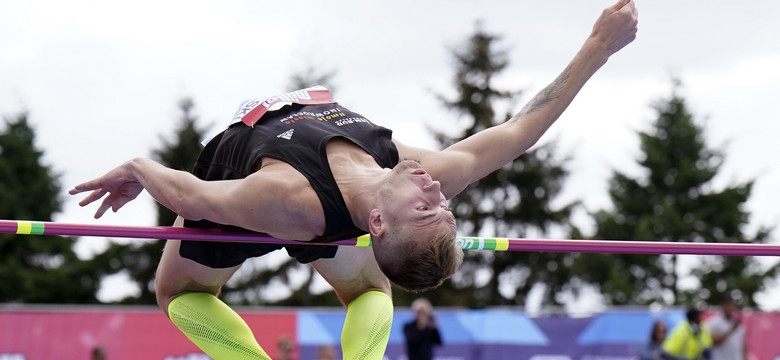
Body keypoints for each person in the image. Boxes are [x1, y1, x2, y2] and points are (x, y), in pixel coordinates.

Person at [69, 1, 638, 359]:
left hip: (239, 183)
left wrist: (138, 168)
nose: (436, 193)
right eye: (445, 209)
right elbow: (520, 130)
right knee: (368, 290)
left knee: (177, 295)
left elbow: (189, 194)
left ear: (378, 222)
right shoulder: (417, 172)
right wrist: (597, 49)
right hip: (321, 198)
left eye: (424, 208)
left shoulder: (282, 200)